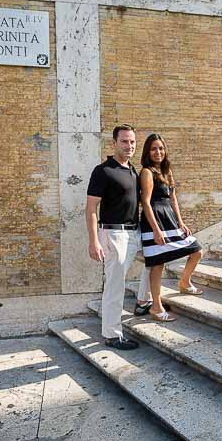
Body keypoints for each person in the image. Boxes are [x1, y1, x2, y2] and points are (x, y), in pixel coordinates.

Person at [135, 133, 203, 321]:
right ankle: (156, 307)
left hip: (170, 219)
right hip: (154, 220)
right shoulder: (147, 172)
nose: (158, 152)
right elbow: (146, 203)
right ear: (148, 152)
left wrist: (181, 222)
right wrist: (156, 230)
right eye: (154, 148)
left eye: (161, 148)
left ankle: (184, 282)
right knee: (157, 264)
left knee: (196, 251)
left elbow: (173, 199)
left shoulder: (166, 170)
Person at [86, 124, 142, 350]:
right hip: (113, 234)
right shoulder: (103, 170)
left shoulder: (132, 170)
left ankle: (145, 302)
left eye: (132, 142)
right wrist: (94, 240)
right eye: (125, 141)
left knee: (156, 260)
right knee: (115, 286)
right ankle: (112, 335)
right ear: (114, 143)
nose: (129, 146)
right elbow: (91, 208)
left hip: (135, 233)